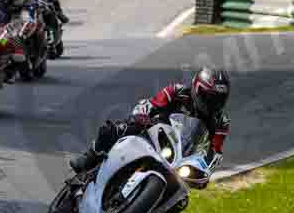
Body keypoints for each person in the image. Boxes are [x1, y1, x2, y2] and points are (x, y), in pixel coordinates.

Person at [70, 68, 231, 201]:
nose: (213, 103)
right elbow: (152, 103)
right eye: (209, 97)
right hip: (152, 133)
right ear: (197, 88)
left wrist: (206, 171)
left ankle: (137, 207)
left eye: (219, 100)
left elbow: (215, 150)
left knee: (181, 199)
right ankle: (88, 157)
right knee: (116, 129)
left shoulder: (220, 121)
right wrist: (141, 116)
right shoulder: (178, 91)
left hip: (181, 154)